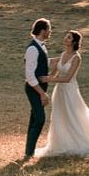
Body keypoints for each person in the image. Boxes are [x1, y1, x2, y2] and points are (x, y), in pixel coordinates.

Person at [35, 29, 89, 159]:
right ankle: (61, 143)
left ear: (74, 42)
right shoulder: (62, 55)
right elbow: (53, 74)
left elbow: (67, 78)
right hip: (59, 91)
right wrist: (42, 76)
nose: (65, 39)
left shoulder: (76, 57)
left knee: (74, 115)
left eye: (68, 37)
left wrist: (49, 79)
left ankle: (81, 142)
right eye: (66, 36)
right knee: (60, 116)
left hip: (70, 90)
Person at [22, 16, 52, 165]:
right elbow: (29, 75)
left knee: (34, 118)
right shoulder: (33, 48)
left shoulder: (41, 46)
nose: (50, 31)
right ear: (42, 30)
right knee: (40, 119)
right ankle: (29, 152)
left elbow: (45, 62)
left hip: (39, 88)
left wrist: (66, 58)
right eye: (48, 29)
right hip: (33, 88)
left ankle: (28, 151)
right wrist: (42, 94)